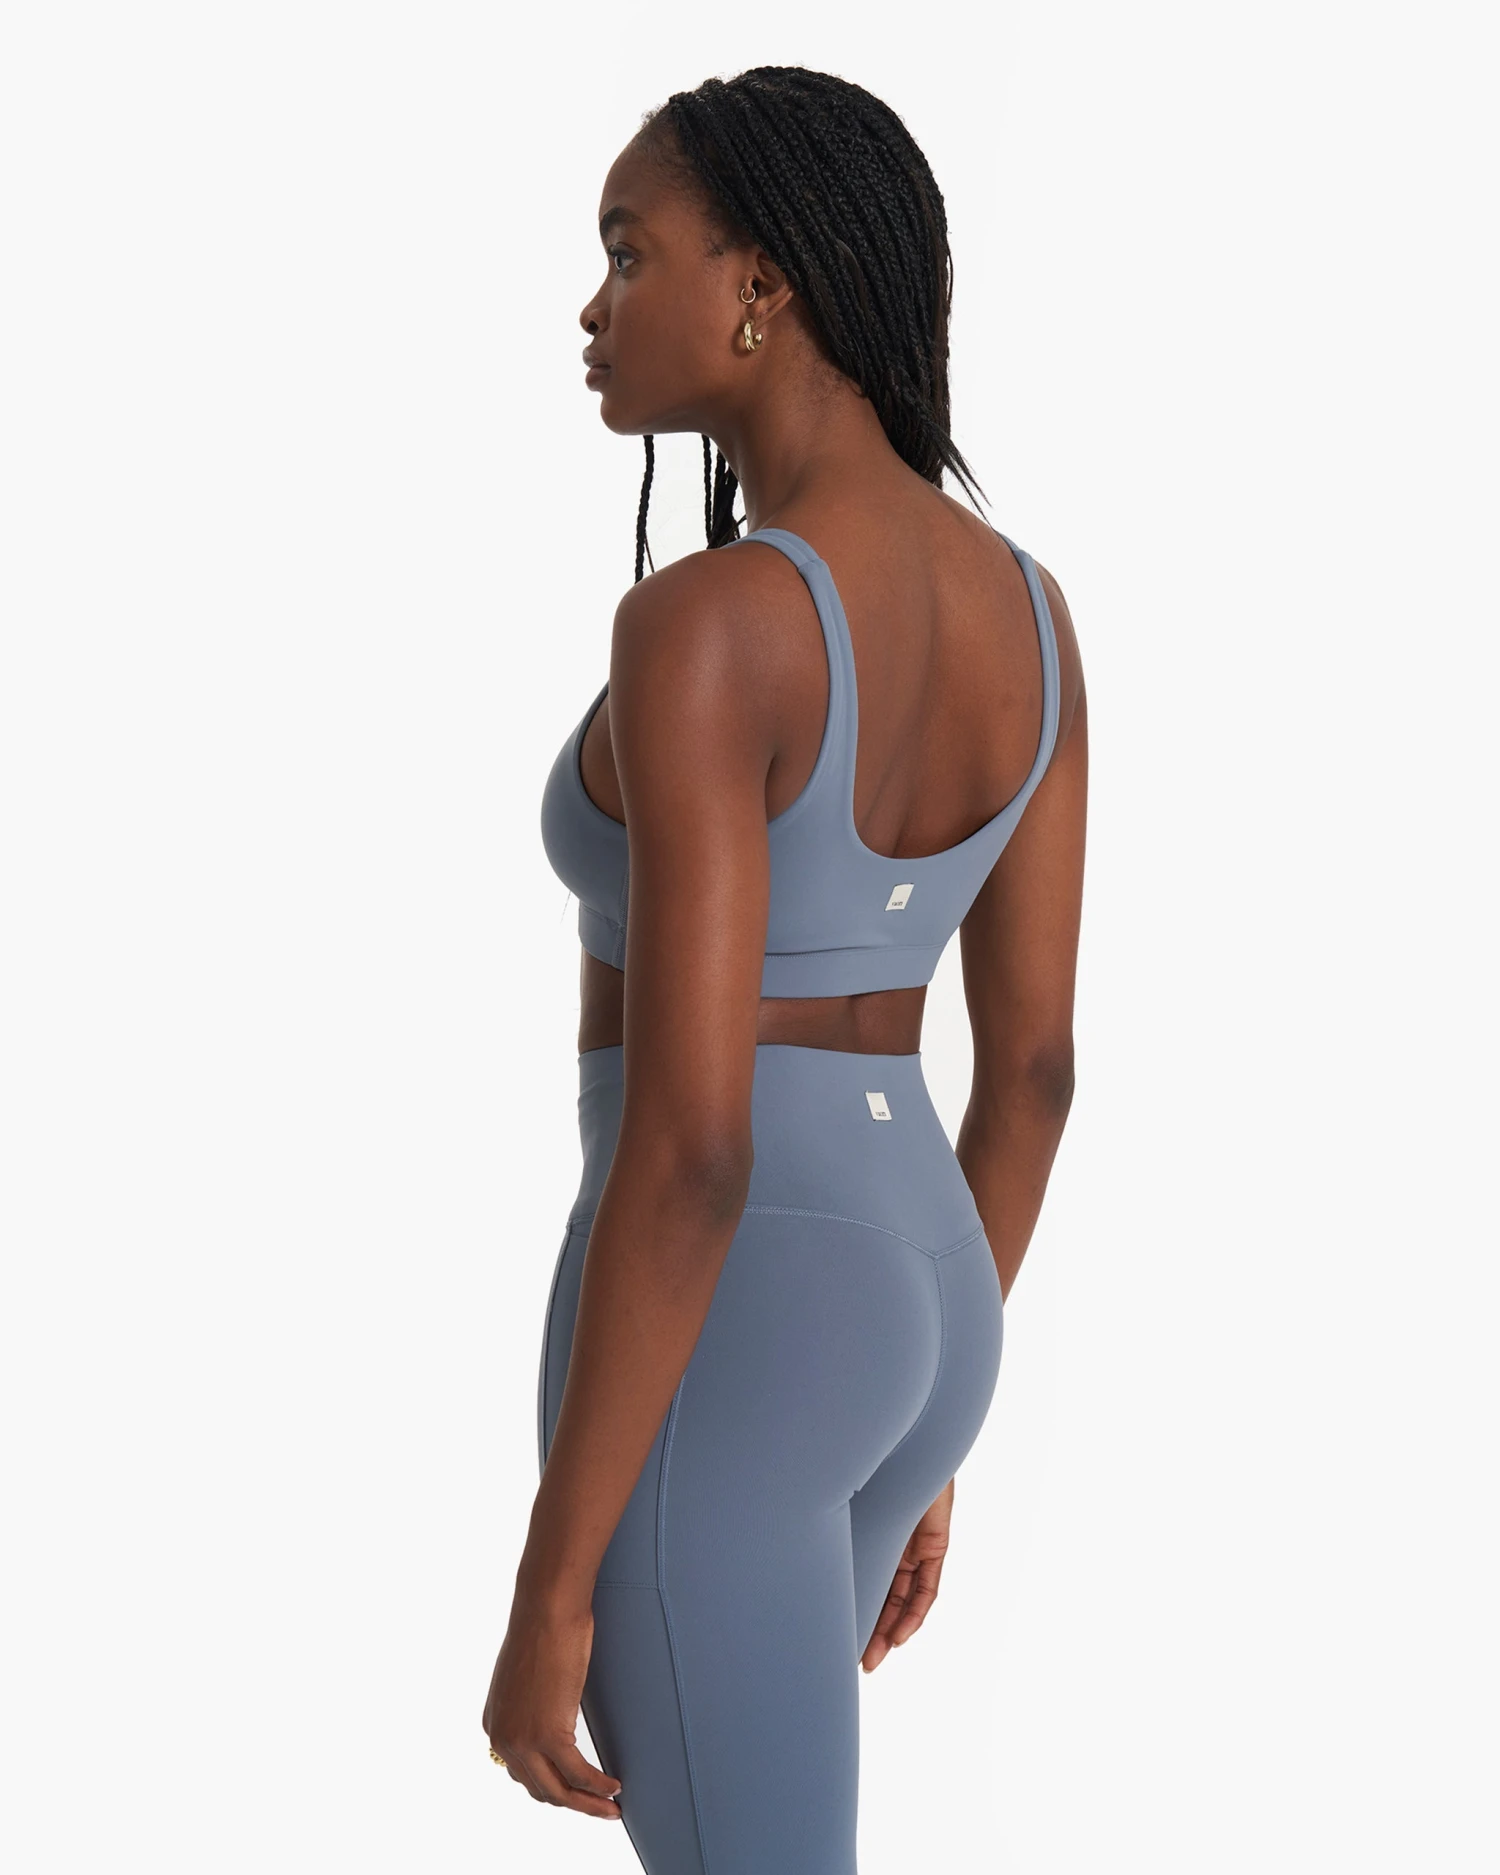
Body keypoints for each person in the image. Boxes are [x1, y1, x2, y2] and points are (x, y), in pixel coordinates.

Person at [481, 65, 1087, 1874]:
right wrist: (925, 1409)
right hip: (926, 1285)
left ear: (760, 285)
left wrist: (552, 1576)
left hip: (737, 1311)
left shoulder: (711, 626)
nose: (593, 308)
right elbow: (1035, 1073)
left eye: (628, 253)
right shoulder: (1032, 614)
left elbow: (692, 1150)